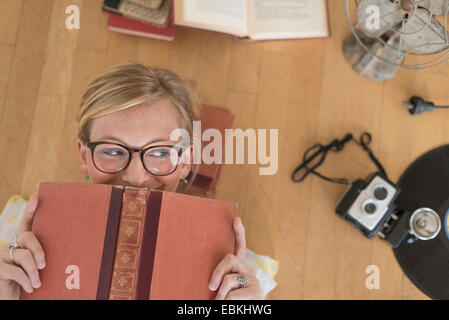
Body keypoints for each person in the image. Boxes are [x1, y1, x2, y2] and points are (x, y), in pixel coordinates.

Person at [0, 63, 262, 300]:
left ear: (186, 161)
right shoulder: (19, 251)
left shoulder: (230, 273)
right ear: (84, 155)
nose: (136, 178)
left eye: (160, 152)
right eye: (113, 151)